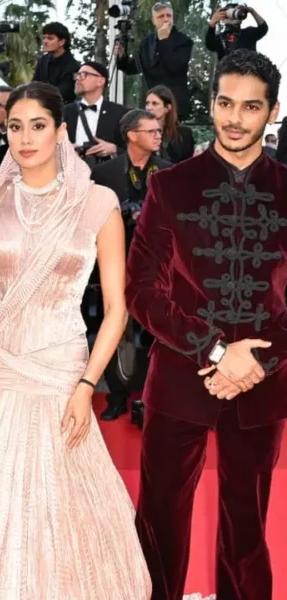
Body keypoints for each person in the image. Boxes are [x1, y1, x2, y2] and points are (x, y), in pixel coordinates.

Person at [0, 81, 150, 598]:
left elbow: (117, 308)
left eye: (38, 125)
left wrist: (87, 385)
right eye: (15, 127)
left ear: (60, 131)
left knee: (58, 508)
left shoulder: (98, 203)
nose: (25, 138)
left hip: (60, 373)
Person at [128, 49, 287, 600]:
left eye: (251, 106)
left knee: (247, 530)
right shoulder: (170, 186)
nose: (235, 119)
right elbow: (141, 289)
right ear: (211, 103)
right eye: (225, 103)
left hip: (263, 383)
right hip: (180, 376)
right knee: (159, 523)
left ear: (272, 111)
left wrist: (258, 360)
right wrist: (217, 351)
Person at [91, 109, 171, 423]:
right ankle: (117, 395)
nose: (158, 135)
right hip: (116, 263)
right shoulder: (104, 174)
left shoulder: (168, 171)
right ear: (132, 136)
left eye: (158, 130)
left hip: (158, 266)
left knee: (158, 332)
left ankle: (155, 396)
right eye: (151, 131)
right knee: (115, 327)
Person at [116, 1, 193, 120]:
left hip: (173, 106)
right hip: (151, 105)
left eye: (169, 15)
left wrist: (164, 41)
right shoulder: (147, 42)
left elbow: (175, 66)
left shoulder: (184, 41)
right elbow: (133, 68)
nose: (166, 19)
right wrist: (122, 57)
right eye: (161, 16)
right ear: (154, 20)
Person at [33, 22, 81, 104]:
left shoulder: (73, 66)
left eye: (50, 38)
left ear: (62, 42)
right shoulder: (42, 60)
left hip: (63, 108)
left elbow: (62, 93)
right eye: (44, 38)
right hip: (40, 105)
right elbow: (34, 84)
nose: (45, 41)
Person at [145, 85, 195, 163]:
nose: (149, 108)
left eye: (154, 104)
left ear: (167, 108)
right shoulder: (141, 132)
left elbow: (187, 164)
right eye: (147, 103)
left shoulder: (184, 133)